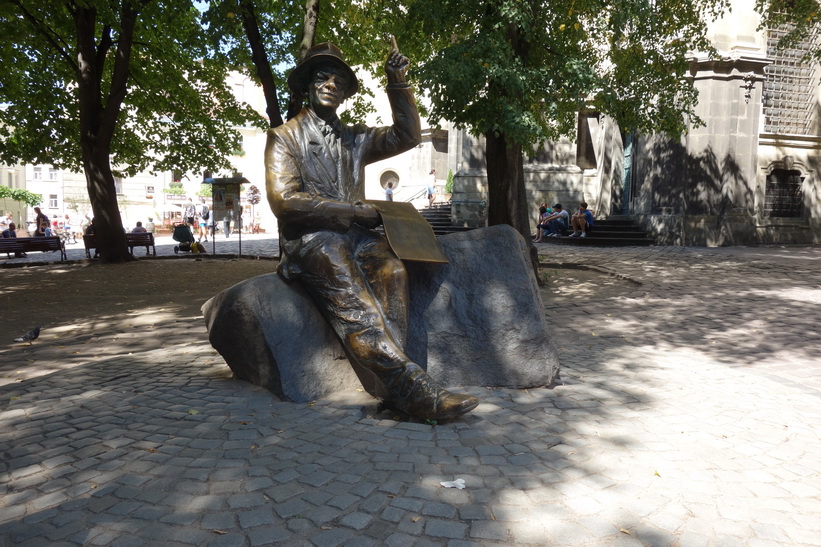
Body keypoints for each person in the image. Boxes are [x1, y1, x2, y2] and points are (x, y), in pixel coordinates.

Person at [265, 40, 478, 421]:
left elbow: (407, 136)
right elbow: (284, 200)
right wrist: (350, 211)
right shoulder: (284, 137)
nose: (330, 83)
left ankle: (391, 385)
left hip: (357, 236)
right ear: (306, 86)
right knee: (359, 307)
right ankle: (413, 389)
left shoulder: (355, 138)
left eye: (338, 80)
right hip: (312, 239)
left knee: (393, 271)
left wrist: (398, 84)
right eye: (321, 76)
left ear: (346, 92)